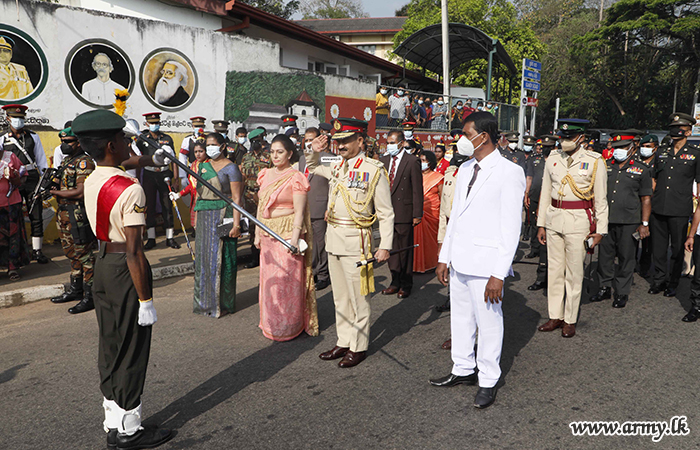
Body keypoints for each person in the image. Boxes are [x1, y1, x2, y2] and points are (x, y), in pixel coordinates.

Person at [74, 109, 172, 449]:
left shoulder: (91, 178)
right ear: (113, 145)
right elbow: (134, 252)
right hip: (123, 267)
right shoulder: (132, 191)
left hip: (101, 265)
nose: (130, 142)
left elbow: (122, 165)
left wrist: (150, 158)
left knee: (111, 341)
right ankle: (130, 430)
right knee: (133, 346)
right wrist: (146, 300)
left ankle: (113, 416)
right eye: (125, 139)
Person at [431, 111, 526, 409]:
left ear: (483, 136)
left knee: (488, 322)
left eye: (466, 133)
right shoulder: (464, 168)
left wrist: (499, 273)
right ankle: (462, 369)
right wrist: (444, 256)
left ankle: (488, 378)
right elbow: (455, 216)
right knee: (460, 318)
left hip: (487, 263)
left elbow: (512, 227)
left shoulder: (510, 172)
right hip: (459, 259)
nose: (461, 139)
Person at [308, 118, 394, 368]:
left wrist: (385, 245)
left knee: (359, 299)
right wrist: (314, 149)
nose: (341, 146)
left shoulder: (374, 169)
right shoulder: (336, 165)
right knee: (341, 298)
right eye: (338, 141)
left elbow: (386, 212)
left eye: (346, 141)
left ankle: (359, 346)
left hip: (358, 241)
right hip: (333, 239)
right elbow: (313, 166)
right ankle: (343, 341)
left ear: (360, 140)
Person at [536, 119, 608, 338]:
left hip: (579, 221)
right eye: (563, 137)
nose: (565, 141)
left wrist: (600, 230)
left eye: (569, 137)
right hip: (554, 219)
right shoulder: (554, 159)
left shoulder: (594, 160)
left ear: (581, 138)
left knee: (575, 273)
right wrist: (541, 224)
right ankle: (555, 315)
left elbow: (601, 199)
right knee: (555, 270)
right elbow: (545, 193)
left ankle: (570, 318)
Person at [255, 134, 318, 340]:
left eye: (280, 152)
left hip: (287, 233)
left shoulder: (296, 177)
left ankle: (290, 325)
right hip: (266, 233)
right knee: (269, 280)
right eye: (272, 152)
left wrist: (294, 238)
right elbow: (260, 206)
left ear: (290, 154)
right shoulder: (264, 174)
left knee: (287, 281)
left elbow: (300, 211)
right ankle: (270, 322)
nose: (275, 156)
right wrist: (257, 233)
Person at [589, 130, 651, 308]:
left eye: (623, 147)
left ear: (632, 147)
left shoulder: (642, 169)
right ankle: (604, 287)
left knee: (626, 257)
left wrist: (644, 223)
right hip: (607, 219)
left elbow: (646, 198)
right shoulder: (605, 166)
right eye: (615, 147)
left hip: (629, 221)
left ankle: (622, 292)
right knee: (604, 256)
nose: (618, 151)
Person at [648, 113, 700, 298]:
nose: (675, 132)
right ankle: (659, 280)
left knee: (677, 249)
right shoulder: (661, 152)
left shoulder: (695, 154)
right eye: (673, 128)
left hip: (679, 209)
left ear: (688, 131)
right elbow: (654, 180)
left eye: (680, 128)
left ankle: (673, 282)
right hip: (659, 206)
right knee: (659, 248)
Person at [191, 133, 242, 318]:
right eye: (208, 145)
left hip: (224, 214)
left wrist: (236, 224)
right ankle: (204, 303)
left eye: (214, 144)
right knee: (204, 259)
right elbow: (198, 194)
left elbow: (236, 198)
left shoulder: (231, 168)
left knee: (224, 258)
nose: (210, 148)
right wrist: (195, 219)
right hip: (204, 214)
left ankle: (223, 303)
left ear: (222, 146)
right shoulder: (203, 167)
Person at [49, 127, 97, 314]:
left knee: (85, 256)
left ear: (79, 142)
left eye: (68, 141)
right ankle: (75, 290)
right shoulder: (67, 160)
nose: (64, 144)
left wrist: (55, 192)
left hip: (77, 215)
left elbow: (81, 191)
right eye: (63, 141)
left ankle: (90, 296)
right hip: (64, 214)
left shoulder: (85, 162)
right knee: (72, 254)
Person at [0, 104, 49, 263]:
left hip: (32, 178)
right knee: (14, 217)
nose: (18, 121)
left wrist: (44, 182)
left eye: (21, 118)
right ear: (8, 119)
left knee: (36, 214)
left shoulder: (33, 136)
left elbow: (41, 160)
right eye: (15, 118)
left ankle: (37, 251)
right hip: (12, 181)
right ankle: (17, 252)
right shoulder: (2, 139)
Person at [380, 129, 423, 298]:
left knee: (404, 249)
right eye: (388, 143)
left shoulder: (412, 161)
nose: (390, 146)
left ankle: (406, 283)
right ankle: (394, 281)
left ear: (402, 142)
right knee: (390, 249)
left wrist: (417, 214)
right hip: (386, 212)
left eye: (392, 143)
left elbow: (417, 190)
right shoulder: (383, 161)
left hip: (404, 212)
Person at [135, 112, 180, 250]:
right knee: (150, 206)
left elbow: (174, 159)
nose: (155, 125)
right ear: (147, 124)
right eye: (152, 123)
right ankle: (151, 238)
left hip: (164, 174)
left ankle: (170, 237)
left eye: (157, 122)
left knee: (167, 205)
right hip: (149, 175)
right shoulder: (142, 139)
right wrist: (137, 179)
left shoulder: (166, 138)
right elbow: (137, 159)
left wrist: (176, 179)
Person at [296, 127, 332, 291]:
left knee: (321, 243)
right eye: (307, 139)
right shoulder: (303, 159)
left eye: (312, 139)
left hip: (320, 206)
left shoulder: (330, 158)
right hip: (304, 207)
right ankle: (313, 271)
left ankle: (324, 275)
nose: (309, 143)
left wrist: (329, 207)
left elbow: (333, 185)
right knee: (308, 242)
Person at [525, 135, 557, 291]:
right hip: (539, 200)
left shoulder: (559, 160)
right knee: (540, 233)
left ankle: (555, 281)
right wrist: (527, 193)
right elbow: (530, 177)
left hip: (557, 204)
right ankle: (541, 277)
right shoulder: (536, 159)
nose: (547, 149)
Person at [241, 127, 273, 268]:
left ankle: (269, 257)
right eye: (253, 141)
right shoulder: (246, 157)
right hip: (249, 196)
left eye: (258, 141)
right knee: (253, 228)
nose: (255, 144)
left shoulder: (269, 156)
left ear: (263, 140)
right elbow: (242, 178)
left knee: (267, 226)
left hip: (265, 195)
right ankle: (255, 258)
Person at [0, 134, 29, 280]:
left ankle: (12, 267)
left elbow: (23, 177)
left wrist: (15, 177)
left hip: (11, 203)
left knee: (14, 236)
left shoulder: (10, 157)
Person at [414, 151, 443, 273]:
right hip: (417, 212)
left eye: (424, 160)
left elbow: (442, 197)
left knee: (430, 241)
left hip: (432, 212)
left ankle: (431, 263)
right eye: (420, 160)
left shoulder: (438, 177)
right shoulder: (415, 175)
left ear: (430, 163)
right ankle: (416, 265)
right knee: (416, 240)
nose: (421, 163)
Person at [169, 141, 207, 228]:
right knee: (196, 226)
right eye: (196, 152)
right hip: (195, 199)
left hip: (206, 200)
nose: (198, 154)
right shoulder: (193, 165)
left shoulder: (210, 165)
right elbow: (192, 185)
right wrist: (179, 194)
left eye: (201, 151)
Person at [637, 134, 658, 277]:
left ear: (655, 148)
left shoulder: (659, 162)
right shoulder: (636, 161)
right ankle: (631, 263)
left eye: (648, 147)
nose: (644, 150)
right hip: (636, 202)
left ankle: (645, 265)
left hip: (652, 203)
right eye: (643, 147)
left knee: (648, 239)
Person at [0, 36, 33, 100]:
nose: (2, 53)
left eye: (6, 51)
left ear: (11, 54)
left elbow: (30, 92)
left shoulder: (21, 69)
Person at [178, 116, 207, 182]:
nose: (199, 128)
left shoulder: (208, 139)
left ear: (204, 126)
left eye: (200, 126)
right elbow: (183, 158)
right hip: (192, 169)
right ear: (192, 126)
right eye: (196, 126)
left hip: (206, 169)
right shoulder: (188, 139)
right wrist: (183, 176)